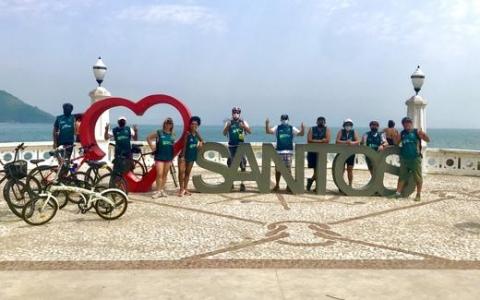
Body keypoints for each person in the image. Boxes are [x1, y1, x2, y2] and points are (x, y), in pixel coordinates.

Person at [391, 117, 430, 201]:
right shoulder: (402, 133)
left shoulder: (416, 132)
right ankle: (398, 193)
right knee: (402, 177)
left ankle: (418, 194)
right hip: (404, 159)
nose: (407, 124)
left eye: (409, 122)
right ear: (403, 124)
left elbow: (428, 140)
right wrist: (395, 136)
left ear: (411, 123)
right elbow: (396, 143)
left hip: (415, 158)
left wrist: (424, 135)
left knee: (418, 177)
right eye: (405, 122)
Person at [266, 114, 304, 192]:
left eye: (285, 119)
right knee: (277, 170)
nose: (284, 120)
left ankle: (289, 186)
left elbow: (301, 134)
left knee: (288, 170)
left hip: (288, 151)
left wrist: (303, 128)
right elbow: (268, 131)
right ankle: (277, 185)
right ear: (281, 119)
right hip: (279, 151)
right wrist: (267, 124)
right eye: (283, 119)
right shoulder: (277, 127)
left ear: (288, 119)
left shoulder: (291, 128)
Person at [223, 107, 252, 192]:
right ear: (232, 113)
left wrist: (243, 126)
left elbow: (249, 131)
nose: (236, 113)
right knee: (230, 165)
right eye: (234, 112)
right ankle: (231, 182)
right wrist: (227, 127)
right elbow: (224, 133)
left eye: (237, 112)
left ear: (240, 113)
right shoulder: (228, 122)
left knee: (242, 165)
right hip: (231, 147)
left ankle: (242, 183)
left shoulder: (243, 122)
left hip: (241, 146)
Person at [147, 118, 175, 198]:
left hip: (168, 157)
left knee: (165, 174)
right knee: (159, 174)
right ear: (164, 124)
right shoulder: (159, 132)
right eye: (167, 123)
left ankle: (162, 190)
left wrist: (173, 156)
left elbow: (172, 145)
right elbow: (148, 138)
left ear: (172, 125)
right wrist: (152, 147)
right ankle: (158, 191)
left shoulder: (172, 134)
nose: (168, 125)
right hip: (159, 157)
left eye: (170, 123)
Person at [104, 116, 138, 180]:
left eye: (123, 120)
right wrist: (106, 130)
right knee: (117, 170)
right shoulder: (114, 130)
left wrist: (136, 131)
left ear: (125, 122)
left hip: (128, 152)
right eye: (121, 120)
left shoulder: (129, 129)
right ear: (118, 122)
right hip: (118, 153)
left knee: (130, 169)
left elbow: (135, 139)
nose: (122, 121)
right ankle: (116, 185)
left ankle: (130, 183)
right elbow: (106, 138)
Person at [177, 116, 203, 197]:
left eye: (196, 124)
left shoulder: (197, 133)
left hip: (192, 156)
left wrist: (200, 144)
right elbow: (184, 146)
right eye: (192, 124)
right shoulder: (187, 133)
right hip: (184, 156)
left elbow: (202, 140)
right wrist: (182, 157)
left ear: (198, 125)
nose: (194, 125)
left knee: (187, 173)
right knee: (181, 172)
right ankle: (181, 189)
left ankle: (185, 188)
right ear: (190, 125)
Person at [306, 116, 331, 191]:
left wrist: (315, 140)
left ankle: (312, 182)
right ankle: (314, 184)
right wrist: (321, 141)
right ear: (316, 122)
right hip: (312, 152)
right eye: (319, 121)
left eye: (322, 121)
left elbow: (327, 140)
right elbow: (309, 140)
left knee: (318, 169)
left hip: (322, 152)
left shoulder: (327, 129)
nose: (321, 122)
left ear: (325, 122)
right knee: (316, 170)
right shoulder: (312, 129)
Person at [336, 118, 360, 187]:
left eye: (349, 124)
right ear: (344, 125)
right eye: (346, 124)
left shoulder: (354, 132)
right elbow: (337, 141)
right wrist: (345, 142)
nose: (348, 126)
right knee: (341, 170)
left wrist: (352, 143)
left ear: (351, 125)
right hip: (341, 153)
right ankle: (341, 185)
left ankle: (350, 185)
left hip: (351, 154)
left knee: (350, 169)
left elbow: (358, 141)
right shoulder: (341, 131)